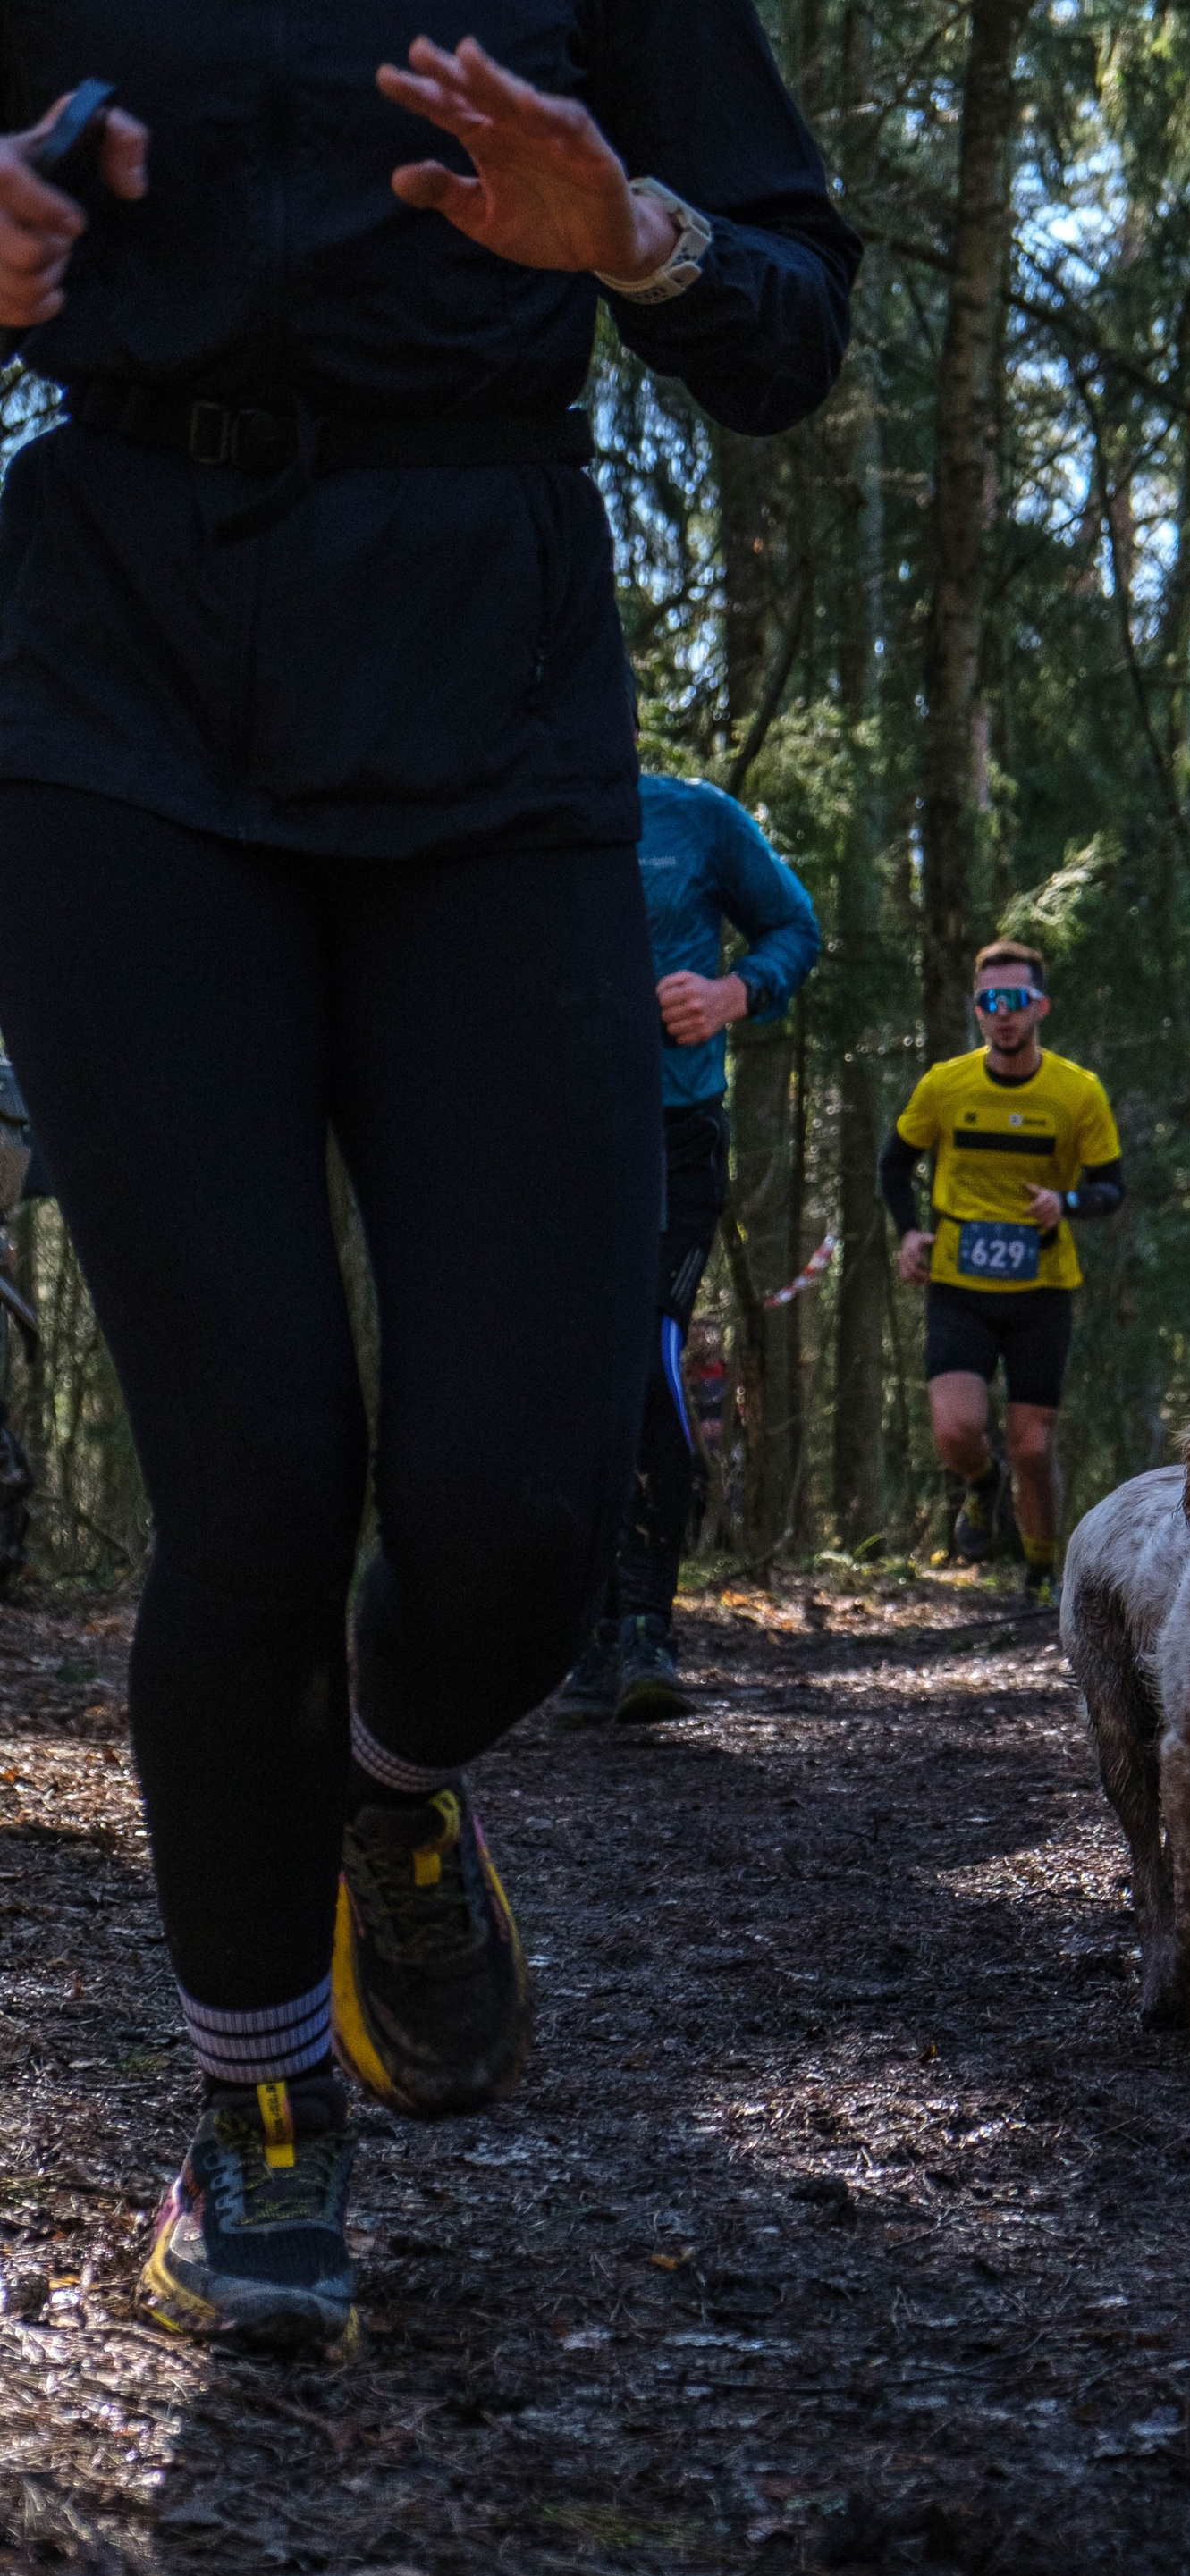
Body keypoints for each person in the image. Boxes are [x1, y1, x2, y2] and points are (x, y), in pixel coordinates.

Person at [0, 27, 857, 2364]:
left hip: (492, 703)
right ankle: (262, 2121)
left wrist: (638, 240)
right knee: (256, 1477)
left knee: (521, 1510)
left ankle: (387, 1795)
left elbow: (789, 321)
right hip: (114, 711)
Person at [557, 770, 819, 1725]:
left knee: (646, 1354)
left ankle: (645, 1631)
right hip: (551, 1134)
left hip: (674, 1134)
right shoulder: (508, 814)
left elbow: (797, 929)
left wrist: (731, 992)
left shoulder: (695, 816)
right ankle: (581, 1632)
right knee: (571, 1373)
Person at [879, 942, 1123, 1597]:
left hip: (1042, 1290)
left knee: (1032, 1448)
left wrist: (1063, 1203)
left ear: (1039, 1006)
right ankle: (981, 1486)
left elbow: (1111, 1188)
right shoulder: (945, 1084)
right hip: (960, 1285)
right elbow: (893, 1164)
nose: (1002, 1014)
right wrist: (909, 1234)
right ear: (978, 1010)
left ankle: (1042, 1572)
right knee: (957, 1431)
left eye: (1015, 1001)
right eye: (989, 1002)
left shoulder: (1078, 1092)